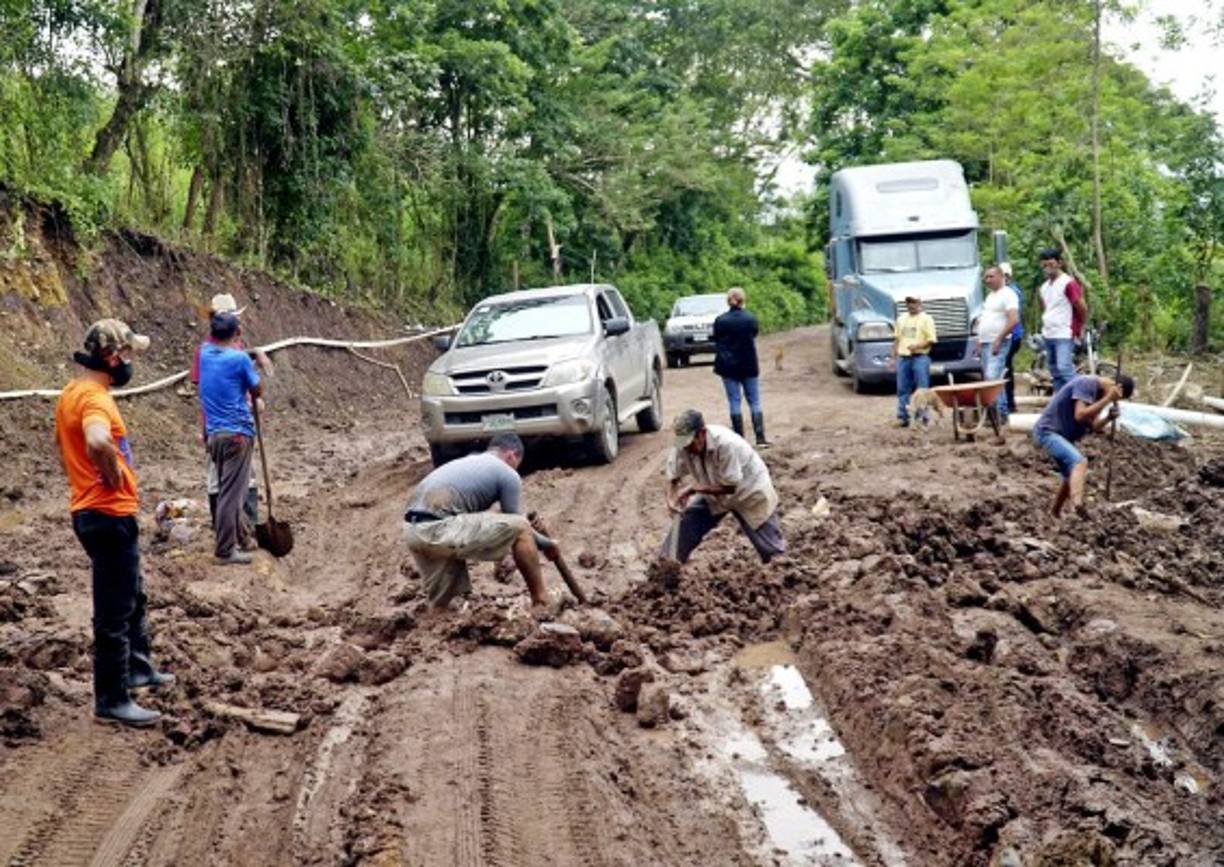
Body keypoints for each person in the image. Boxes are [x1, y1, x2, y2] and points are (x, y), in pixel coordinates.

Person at [55, 319, 174, 727]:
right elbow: (97, 440)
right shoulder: (95, 401)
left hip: (94, 512)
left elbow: (74, 443)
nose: (129, 363)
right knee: (114, 610)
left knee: (132, 595)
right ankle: (111, 698)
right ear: (111, 357)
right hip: (107, 515)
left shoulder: (73, 392)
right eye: (127, 355)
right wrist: (111, 473)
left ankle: (139, 668)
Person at [402, 434, 560, 612]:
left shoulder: (469, 462)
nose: (516, 468)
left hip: (413, 531)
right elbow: (518, 523)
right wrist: (548, 544)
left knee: (443, 607)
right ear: (511, 455)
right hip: (440, 528)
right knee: (521, 528)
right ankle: (541, 601)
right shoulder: (506, 472)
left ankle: (433, 631)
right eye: (518, 463)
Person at [659, 409, 784, 566]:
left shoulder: (726, 444)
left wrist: (693, 489)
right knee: (687, 522)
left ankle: (784, 572)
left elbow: (730, 487)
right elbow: (673, 475)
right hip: (712, 491)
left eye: (690, 443)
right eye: (684, 445)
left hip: (748, 491)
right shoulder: (683, 446)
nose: (687, 449)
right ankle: (666, 566)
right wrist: (671, 499)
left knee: (771, 549)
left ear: (702, 433)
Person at [190, 293, 271, 533]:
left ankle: (237, 530)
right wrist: (252, 400)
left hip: (216, 424)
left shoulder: (205, 352)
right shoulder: (228, 353)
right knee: (235, 479)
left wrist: (256, 353)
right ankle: (235, 534)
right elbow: (247, 384)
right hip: (234, 423)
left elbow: (202, 387)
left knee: (223, 477)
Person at [198, 311, 263, 564]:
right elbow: (256, 389)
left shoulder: (203, 354)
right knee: (231, 495)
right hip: (237, 433)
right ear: (237, 334)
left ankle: (244, 537)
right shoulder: (239, 360)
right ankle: (225, 550)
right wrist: (254, 362)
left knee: (227, 489)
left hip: (214, 434)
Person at [1032, 373, 1134, 517]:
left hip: (1061, 437)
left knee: (1070, 476)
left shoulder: (1099, 394)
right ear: (1114, 386)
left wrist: (1108, 418)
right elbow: (1079, 415)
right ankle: (1077, 506)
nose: (1113, 400)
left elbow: (1093, 426)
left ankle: (1055, 512)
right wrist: (1107, 399)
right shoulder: (1086, 384)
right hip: (1047, 432)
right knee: (1079, 462)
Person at [713, 287, 769, 447]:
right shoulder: (751, 319)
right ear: (743, 300)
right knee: (755, 401)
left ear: (728, 301)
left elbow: (717, 340)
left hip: (728, 366)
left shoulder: (720, 320)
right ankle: (760, 438)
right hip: (748, 364)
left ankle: (739, 440)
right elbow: (754, 334)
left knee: (734, 401)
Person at [1037, 248, 1087, 394]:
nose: (1048, 267)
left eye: (1051, 264)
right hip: (1049, 333)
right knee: (1055, 372)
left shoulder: (1068, 283)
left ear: (1059, 263)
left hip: (1064, 332)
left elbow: (1081, 307)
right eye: (1045, 264)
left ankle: (1084, 395)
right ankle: (1061, 401)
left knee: (1064, 368)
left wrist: (1081, 327)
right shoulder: (1044, 287)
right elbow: (1048, 308)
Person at [979, 264, 1020, 432]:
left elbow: (1013, 320)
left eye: (991, 276)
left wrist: (999, 339)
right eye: (986, 277)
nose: (987, 280)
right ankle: (998, 411)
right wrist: (980, 340)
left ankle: (1000, 412)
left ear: (1001, 277)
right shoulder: (990, 296)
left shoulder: (1008, 294)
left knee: (993, 376)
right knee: (991, 378)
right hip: (987, 342)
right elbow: (987, 318)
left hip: (999, 342)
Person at [892, 295, 937, 427]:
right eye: (908, 302)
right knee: (902, 388)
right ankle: (903, 417)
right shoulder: (901, 319)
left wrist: (917, 346)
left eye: (914, 302)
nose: (911, 305)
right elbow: (896, 339)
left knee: (922, 389)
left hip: (920, 357)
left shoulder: (926, 319)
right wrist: (893, 357)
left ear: (919, 303)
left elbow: (931, 340)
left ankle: (922, 418)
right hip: (903, 357)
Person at [1001, 262, 1024, 414]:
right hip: (1011, 335)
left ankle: (1008, 404)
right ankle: (1009, 403)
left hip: (1011, 336)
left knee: (1005, 370)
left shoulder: (1011, 292)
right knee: (1006, 368)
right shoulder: (1008, 291)